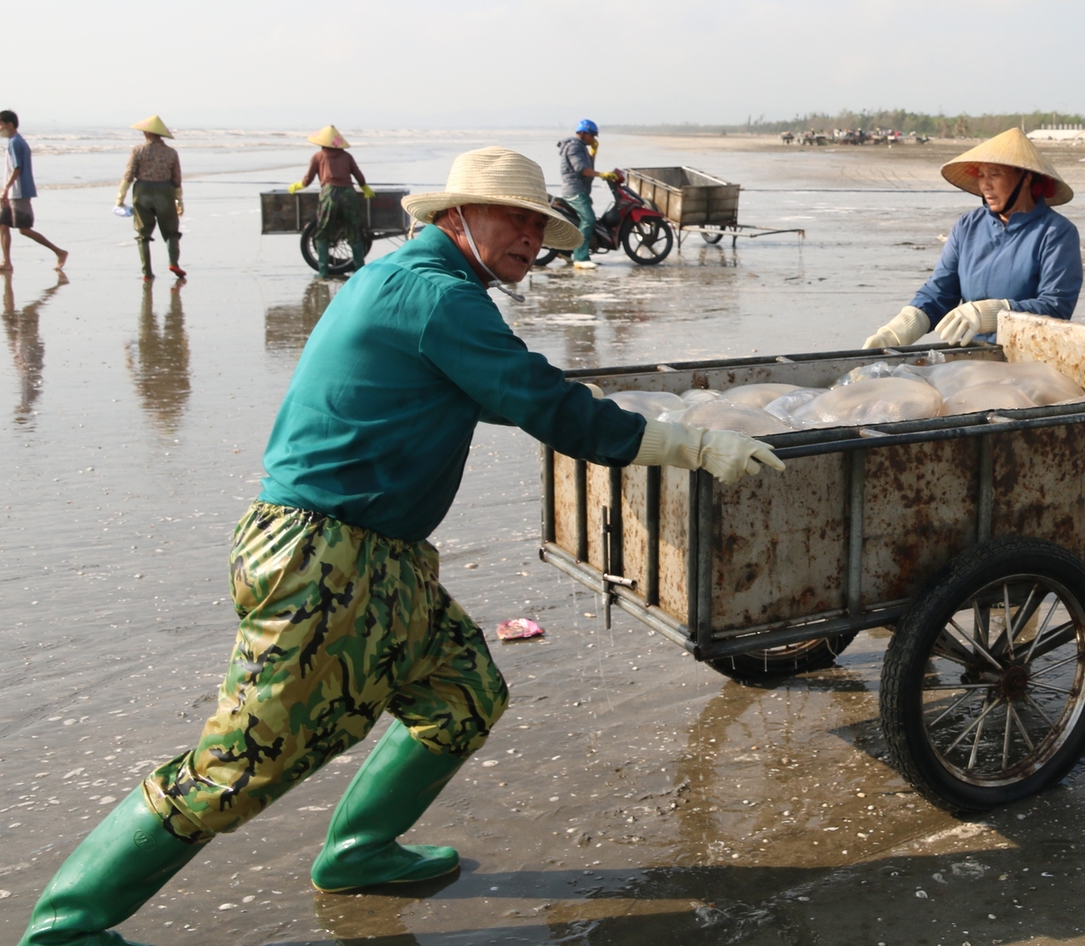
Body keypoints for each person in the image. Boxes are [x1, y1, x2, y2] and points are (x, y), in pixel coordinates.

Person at [17, 146, 784, 945]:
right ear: (456, 216)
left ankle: (360, 850)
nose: (531, 236)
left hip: (377, 558)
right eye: (515, 219)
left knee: (462, 695)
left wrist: (606, 418)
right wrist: (690, 445)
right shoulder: (436, 297)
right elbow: (542, 404)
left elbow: (495, 392)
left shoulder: (410, 283)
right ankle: (68, 926)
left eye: (539, 223)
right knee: (243, 763)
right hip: (325, 559)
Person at [862, 127, 1083, 348]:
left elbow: (1056, 307)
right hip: (974, 355)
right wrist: (898, 331)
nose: (985, 185)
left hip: (1028, 358)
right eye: (981, 175)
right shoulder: (968, 226)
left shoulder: (1056, 232)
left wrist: (993, 313)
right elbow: (940, 292)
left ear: (1026, 178)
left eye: (995, 174)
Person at [289, 124, 375, 278]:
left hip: (330, 195)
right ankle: (360, 269)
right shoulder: (347, 156)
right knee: (354, 231)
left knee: (323, 232)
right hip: (349, 194)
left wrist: (297, 186)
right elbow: (359, 176)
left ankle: (323, 273)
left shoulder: (318, 156)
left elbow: (308, 180)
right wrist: (365, 188)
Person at [115, 115, 184, 281]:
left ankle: (147, 272)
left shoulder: (138, 150)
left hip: (143, 190)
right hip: (165, 191)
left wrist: (120, 197)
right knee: (171, 231)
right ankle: (173, 262)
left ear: (146, 133)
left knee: (143, 233)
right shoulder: (171, 152)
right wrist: (179, 200)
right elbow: (176, 179)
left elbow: (129, 175)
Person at [0, 110, 67, 274]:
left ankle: (59, 252)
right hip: (12, 192)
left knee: (24, 229)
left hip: (19, 192)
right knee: (2, 225)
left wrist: (6, 189)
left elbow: (17, 168)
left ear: (9, 125)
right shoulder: (14, 141)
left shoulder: (15, 142)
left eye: (0, 124)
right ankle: (6, 262)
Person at [555, 119, 615, 271]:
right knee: (588, 219)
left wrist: (594, 151)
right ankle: (580, 258)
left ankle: (565, 251)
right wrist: (602, 174)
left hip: (580, 190)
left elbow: (588, 166)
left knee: (579, 221)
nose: (593, 138)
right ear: (583, 133)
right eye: (592, 135)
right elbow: (581, 169)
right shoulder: (574, 146)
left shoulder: (580, 147)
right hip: (575, 191)